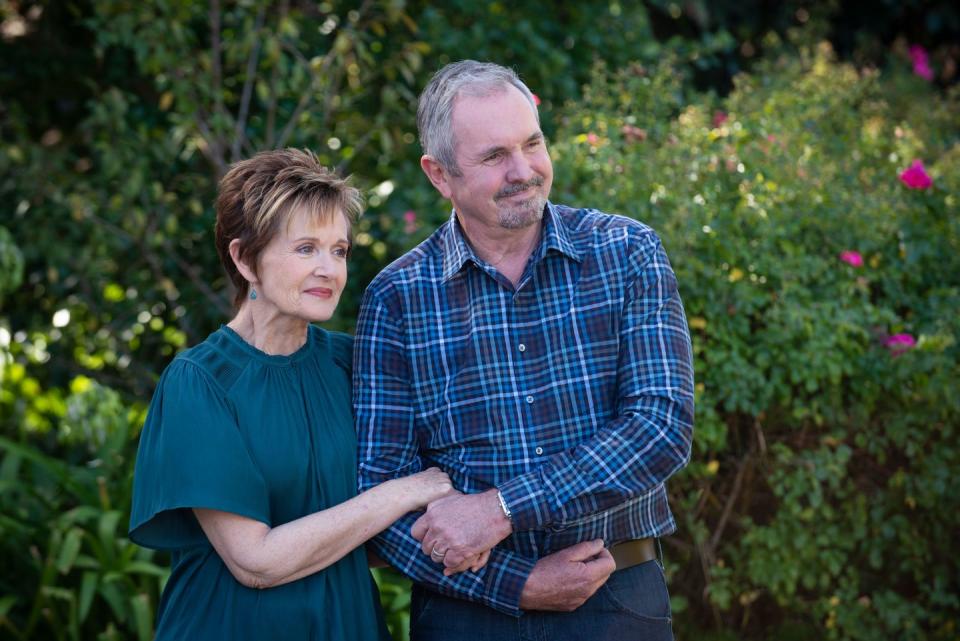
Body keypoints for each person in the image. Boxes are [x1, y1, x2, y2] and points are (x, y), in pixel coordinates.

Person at [354, 61, 695, 640]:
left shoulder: (625, 252)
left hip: (615, 596)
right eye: (493, 157)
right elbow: (379, 493)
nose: (524, 171)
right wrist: (515, 583)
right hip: (466, 613)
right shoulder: (397, 298)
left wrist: (500, 509)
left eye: (532, 144)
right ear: (440, 175)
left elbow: (660, 427)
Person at [129, 148, 455, 641]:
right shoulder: (199, 382)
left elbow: (383, 536)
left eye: (339, 250)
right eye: (306, 249)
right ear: (244, 258)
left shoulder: (352, 362)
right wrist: (402, 492)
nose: (329, 269)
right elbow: (255, 562)